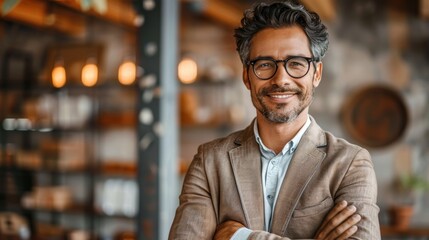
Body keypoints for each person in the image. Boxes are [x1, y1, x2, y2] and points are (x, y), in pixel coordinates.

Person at [169, 1, 380, 239]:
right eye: (265, 64)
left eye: (296, 64)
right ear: (247, 77)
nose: (281, 79)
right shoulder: (210, 162)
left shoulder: (349, 163)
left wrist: (241, 236)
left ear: (317, 74)